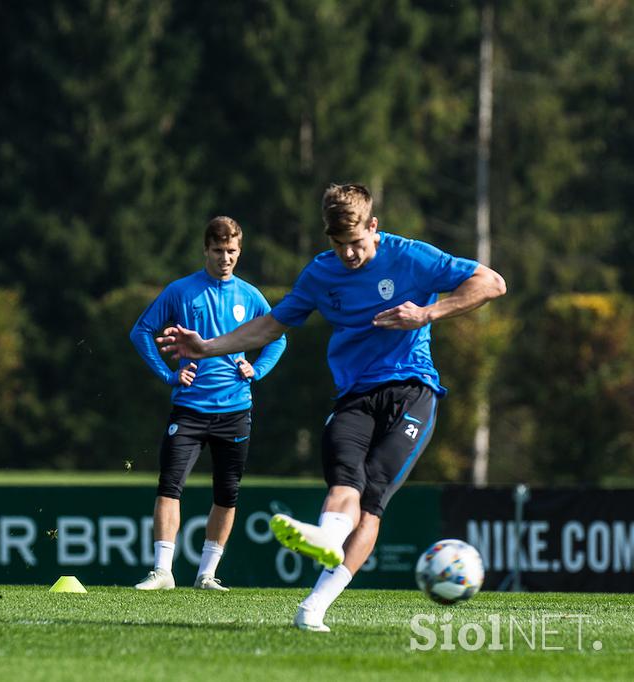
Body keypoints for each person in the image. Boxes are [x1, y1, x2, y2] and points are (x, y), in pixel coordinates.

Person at [157, 184, 506, 629]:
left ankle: (315, 605)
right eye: (339, 246)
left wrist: (427, 314)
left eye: (357, 244)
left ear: (374, 227)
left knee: (374, 494)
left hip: (412, 392)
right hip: (355, 397)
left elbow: (492, 283)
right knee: (346, 480)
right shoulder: (322, 274)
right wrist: (205, 348)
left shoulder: (411, 257)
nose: (349, 255)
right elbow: (269, 326)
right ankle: (327, 537)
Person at [130, 217, 287, 591]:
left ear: (240, 250)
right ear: (206, 250)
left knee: (227, 492)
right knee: (170, 484)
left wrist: (257, 368)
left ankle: (206, 574)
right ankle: (163, 572)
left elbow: (277, 337)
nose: (225, 258)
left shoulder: (250, 296)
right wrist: (169, 375)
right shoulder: (181, 291)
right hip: (189, 408)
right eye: (218, 251)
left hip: (235, 410)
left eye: (232, 250)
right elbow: (141, 331)